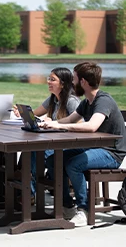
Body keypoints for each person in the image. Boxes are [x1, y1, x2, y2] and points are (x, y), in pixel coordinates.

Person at [43, 62, 126, 227]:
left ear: (83, 82)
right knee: (53, 160)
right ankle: (67, 206)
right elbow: (70, 119)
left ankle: (84, 210)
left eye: (74, 79)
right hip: (95, 147)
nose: (72, 84)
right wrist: (50, 123)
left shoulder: (103, 100)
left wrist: (60, 126)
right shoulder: (86, 101)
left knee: (74, 164)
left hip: (112, 152)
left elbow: (91, 126)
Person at [14, 67, 80, 203]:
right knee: (28, 152)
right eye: (48, 79)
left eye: (52, 79)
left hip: (67, 146)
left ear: (63, 83)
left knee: (32, 153)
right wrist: (22, 113)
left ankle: (28, 193)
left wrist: (54, 122)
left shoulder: (71, 101)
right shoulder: (52, 99)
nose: (49, 82)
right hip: (52, 142)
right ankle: (23, 190)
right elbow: (34, 114)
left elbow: (80, 124)